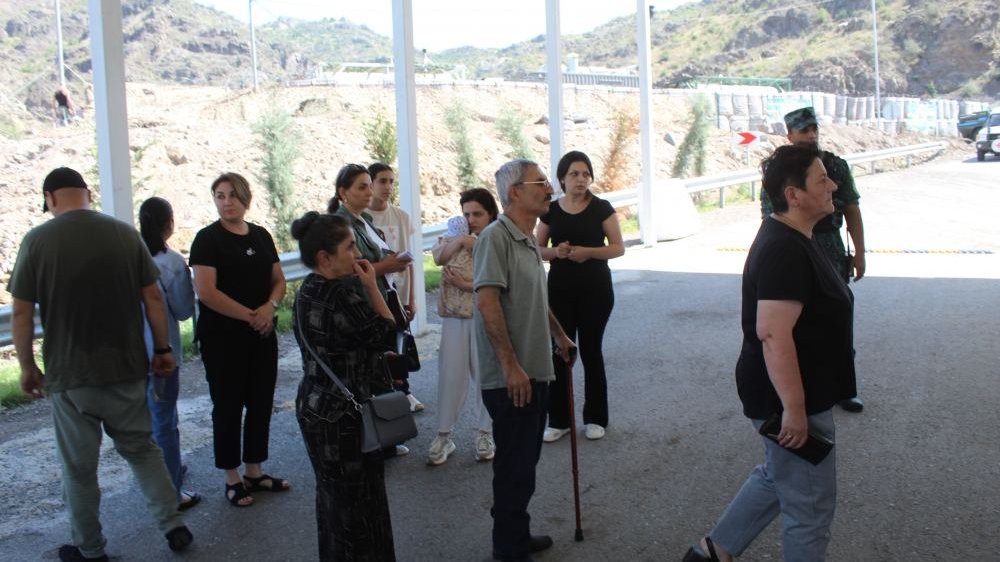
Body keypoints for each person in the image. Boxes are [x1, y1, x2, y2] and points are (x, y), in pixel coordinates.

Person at [682, 145, 856, 562]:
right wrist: (794, 409)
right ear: (793, 194)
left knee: (780, 477)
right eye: (821, 180)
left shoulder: (796, 236)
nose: (833, 185)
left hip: (789, 391)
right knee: (809, 508)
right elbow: (773, 335)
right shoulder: (784, 248)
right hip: (790, 395)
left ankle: (712, 552)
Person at [10, 167, 192, 562]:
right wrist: (161, 349)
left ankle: (90, 549)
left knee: (79, 468)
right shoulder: (125, 235)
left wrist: (27, 365)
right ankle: (173, 525)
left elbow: (22, 314)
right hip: (127, 366)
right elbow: (154, 300)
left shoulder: (37, 241)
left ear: (50, 198)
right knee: (143, 450)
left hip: (71, 375)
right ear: (87, 194)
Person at [474, 159, 576, 562]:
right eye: (540, 182)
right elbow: (487, 302)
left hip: (536, 368)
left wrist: (559, 335)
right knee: (514, 468)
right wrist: (510, 365)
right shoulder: (495, 238)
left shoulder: (527, 238)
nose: (550, 188)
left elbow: (535, 300)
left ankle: (516, 533)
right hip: (511, 376)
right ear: (515, 192)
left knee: (525, 464)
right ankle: (508, 549)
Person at [291, 211, 398, 562]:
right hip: (347, 415)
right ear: (325, 257)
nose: (357, 254)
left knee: (334, 503)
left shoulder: (308, 289)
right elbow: (387, 331)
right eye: (350, 247)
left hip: (316, 407)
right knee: (362, 507)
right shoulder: (343, 297)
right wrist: (371, 286)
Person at [189, 172, 289, 508]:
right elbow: (205, 292)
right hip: (223, 340)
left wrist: (269, 307)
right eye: (219, 195)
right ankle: (232, 477)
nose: (226, 202)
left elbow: (279, 280)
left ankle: (255, 470)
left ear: (246, 198)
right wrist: (252, 315)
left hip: (262, 335)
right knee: (228, 407)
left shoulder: (261, 235)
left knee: (261, 403)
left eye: (232, 195)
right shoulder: (207, 239)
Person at [762, 106, 866, 413]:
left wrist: (860, 251)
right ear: (789, 134)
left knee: (837, 317)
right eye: (803, 131)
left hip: (830, 247)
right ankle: (799, 386)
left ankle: (845, 387)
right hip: (795, 243)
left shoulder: (834, 165)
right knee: (796, 324)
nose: (810, 136)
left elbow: (852, 210)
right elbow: (770, 217)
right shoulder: (778, 173)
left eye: (814, 130)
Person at [536, 151, 624, 442]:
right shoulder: (550, 210)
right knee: (561, 352)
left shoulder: (601, 208)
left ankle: (596, 418)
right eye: (574, 173)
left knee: (591, 351)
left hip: (596, 290)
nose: (581, 179)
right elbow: (535, 248)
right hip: (559, 291)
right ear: (562, 177)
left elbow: (617, 247)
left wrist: (588, 253)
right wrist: (555, 252)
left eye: (586, 174)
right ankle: (559, 419)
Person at [328, 164, 424, 419]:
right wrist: (388, 265)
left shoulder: (364, 219)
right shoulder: (342, 223)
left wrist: (391, 264)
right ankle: (377, 434)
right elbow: (350, 269)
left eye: (370, 185)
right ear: (343, 192)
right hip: (364, 303)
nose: (369, 192)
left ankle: (387, 433)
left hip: (383, 296)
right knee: (372, 370)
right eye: (362, 187)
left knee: (386, 367)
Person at [428, 188, 500, 465]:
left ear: (491, 213)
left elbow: (500, 278)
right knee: (451, 375)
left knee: (486, 376)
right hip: (454, 317)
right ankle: (444, 435)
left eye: (477, 214)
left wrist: (465, 284)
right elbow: (438, 257)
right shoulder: (453, 236)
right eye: (467, 214)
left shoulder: (498, 239)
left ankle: (486, 433)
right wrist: (461, 240)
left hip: (486, 316)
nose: (471, 220)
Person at [138, 197, 200, 511]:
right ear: (169, 225)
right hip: (163, 352)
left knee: (146, 419)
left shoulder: (126, 255)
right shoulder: (171, 262)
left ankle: (159, 474)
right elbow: (184, 310)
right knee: (165, 421)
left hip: (130, 354)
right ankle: (172, 491)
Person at [367, 162, 416, 322]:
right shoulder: (362, 218)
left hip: (400, 295)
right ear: (371, 184)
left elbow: (410, 261)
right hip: (374, 295)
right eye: (382, 181)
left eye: (391, 181)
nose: (388, 187)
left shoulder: (402, 217)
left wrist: (412, 300)